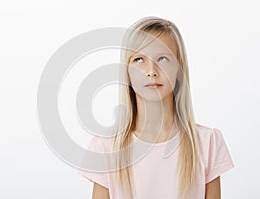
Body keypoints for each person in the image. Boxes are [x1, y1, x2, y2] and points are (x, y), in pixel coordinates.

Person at [78, 16, 234, 199]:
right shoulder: (106, 147)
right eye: (139, 59)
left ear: (179, 69)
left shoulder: (208, 143)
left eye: (162, 58)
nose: (151, 70)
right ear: (127, 72)